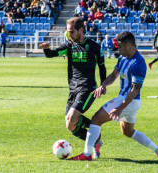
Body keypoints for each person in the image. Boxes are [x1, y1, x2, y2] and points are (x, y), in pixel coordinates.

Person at [69, 32, 158, 161]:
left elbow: (134, 90)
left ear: (128, 44)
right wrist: (103, 85)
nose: (118, 49)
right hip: (131, 103)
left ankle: (86, 154)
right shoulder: (123, 58)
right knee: (128, 132)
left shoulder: (138, 63)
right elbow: (114, 75)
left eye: (120, 46)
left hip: (128, 100)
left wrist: (120, 108)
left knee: (96, 119)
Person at [39, 17, 107, 158]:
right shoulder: (69, 45)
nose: (69, 34)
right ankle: (96, 140)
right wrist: (46, 49)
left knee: (73, 117)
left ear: (81, 30)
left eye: (71, 31)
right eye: (68, 32)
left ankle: (95, 132)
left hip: (88, 88)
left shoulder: (94, 46)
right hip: (73, 88)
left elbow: (102, 66)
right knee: (70, 125)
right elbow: (52, 54)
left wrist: (103, 85)